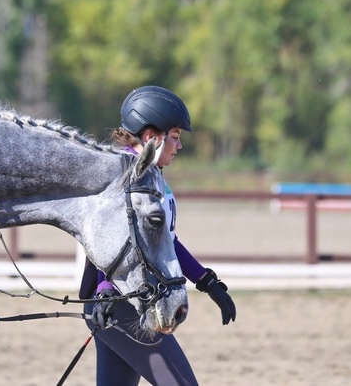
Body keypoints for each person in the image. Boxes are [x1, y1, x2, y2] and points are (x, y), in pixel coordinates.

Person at [79, 86, 236, 386]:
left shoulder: (150, 176)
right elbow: (104, 235)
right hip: (119, 304)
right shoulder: (123, 173)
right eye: (175, 136)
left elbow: (166, 243)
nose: (179, 146)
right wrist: (103, 290)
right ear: (151, 137)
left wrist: (207, 281)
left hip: (125, 303)